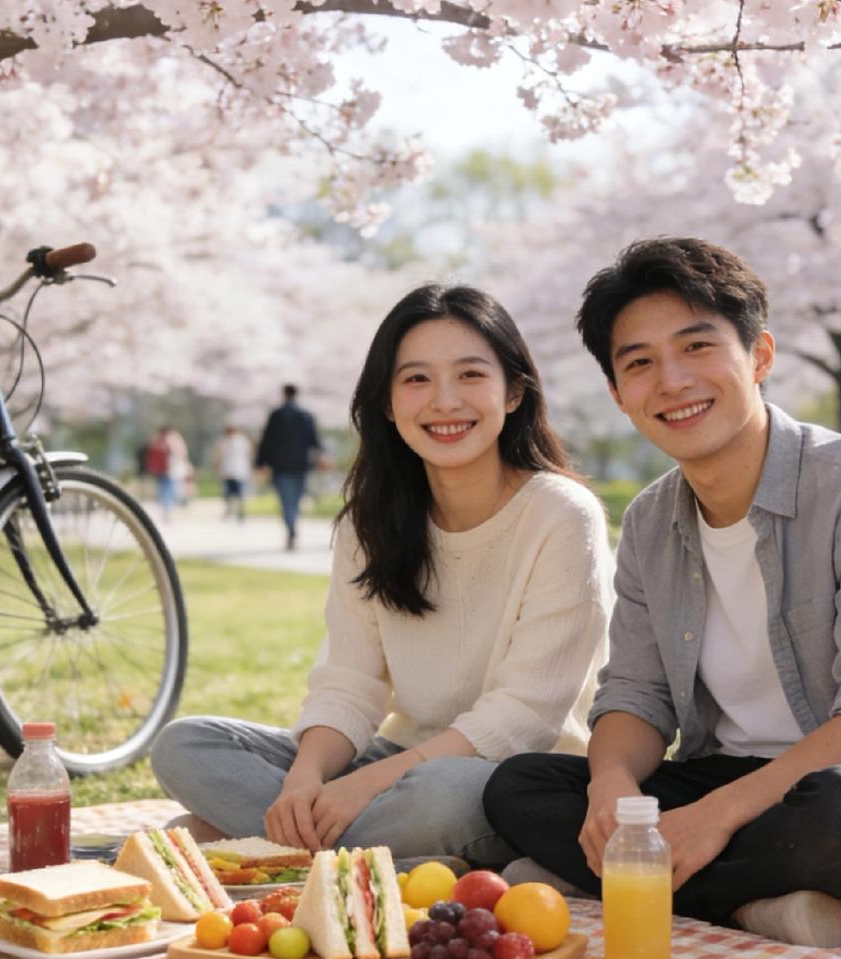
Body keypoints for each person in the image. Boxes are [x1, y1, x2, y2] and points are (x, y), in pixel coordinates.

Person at [483, 237, 841, 948]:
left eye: (696, 347)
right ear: (619, 395)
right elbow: (635, 695)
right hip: (734, 778)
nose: (671, 381)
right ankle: (759, 902)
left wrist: (716, 816)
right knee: (519, 786)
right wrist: (610, 782)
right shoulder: (651, 518)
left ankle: (649, 881)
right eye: (639, 362)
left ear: (759, 356)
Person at [150, 284, 613, 865]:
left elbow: (526, 716)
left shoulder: (561, 514)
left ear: (515, 391)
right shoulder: (369, 522)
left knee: (444, 797)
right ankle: (400, 860)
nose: (444, 401)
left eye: (470, 375)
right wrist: (306, 779)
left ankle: (274, 844)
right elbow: (350, 682)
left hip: (507, 777)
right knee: (186, 744)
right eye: (416, 379)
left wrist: (364, 786)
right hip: (396, 760)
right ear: (388, 404)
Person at [255, 384, 325, 550]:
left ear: (284, 394)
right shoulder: (305, 415)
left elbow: (266, 441)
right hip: (300, 464)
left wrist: (260, 462)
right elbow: (314, 440)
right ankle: (292, 526)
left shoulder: (276, 415)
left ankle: (290, 527)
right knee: (295, 498)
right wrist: (321, 455)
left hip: (280, 465)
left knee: (286, 499)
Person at [146, 425, 192, 522]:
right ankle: (170, 509)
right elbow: (181, 453)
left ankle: (167, 510)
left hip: (163, 469)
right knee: (171, 490)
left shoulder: (157, 440)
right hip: (172, 469)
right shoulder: (175, 438)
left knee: (165, 490)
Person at [213, 424, 253, 521]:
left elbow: (219, 456)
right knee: (236, 494)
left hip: (233, 471)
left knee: (231, 494)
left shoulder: (227, 441)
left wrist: (216, 466)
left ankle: (235, 511)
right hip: (236, 471)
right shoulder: (242, 441)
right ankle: (236, 511)